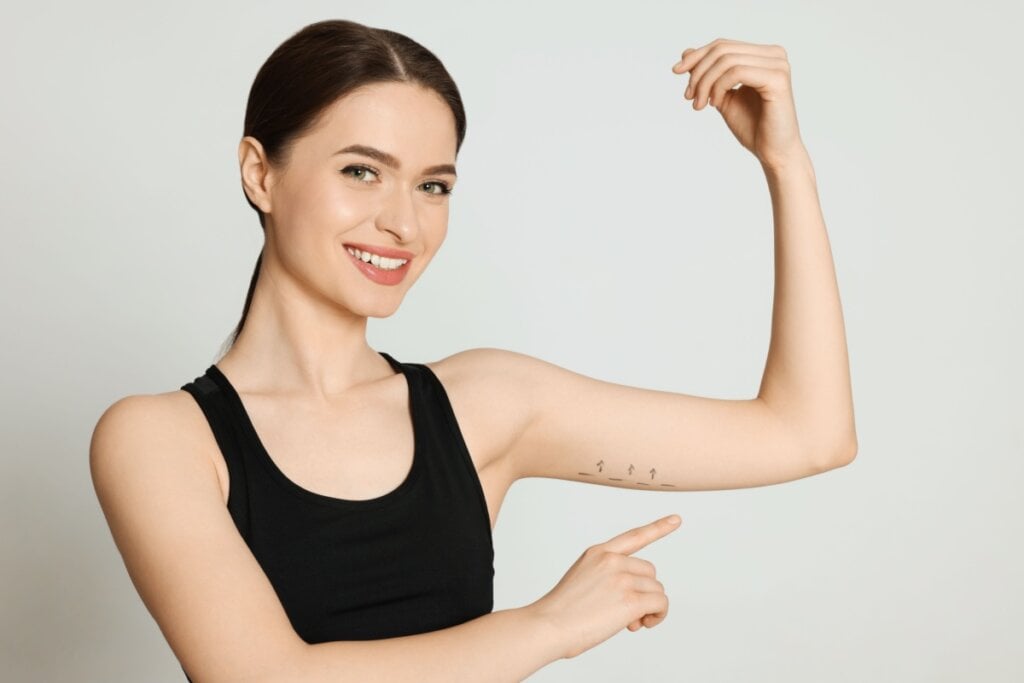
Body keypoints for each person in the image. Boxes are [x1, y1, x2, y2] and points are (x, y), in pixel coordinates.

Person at [89, 19, 857, 682]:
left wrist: (787, 164)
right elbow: (265, 676)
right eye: (362, 171)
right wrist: (549, 626)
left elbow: (809, 434)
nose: (403, 224)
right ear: (261, 172)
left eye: (434, 186)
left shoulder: (487, 406)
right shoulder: (160, 439)